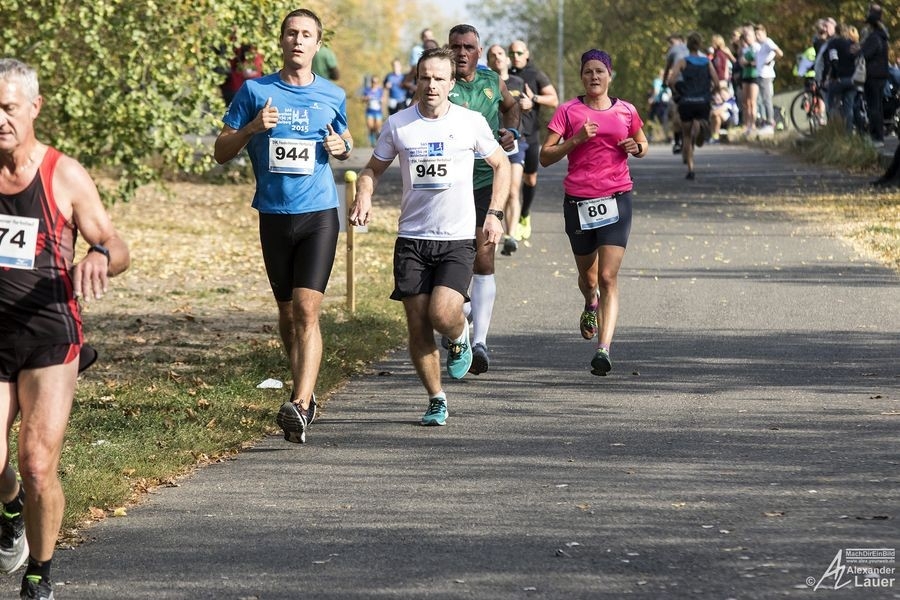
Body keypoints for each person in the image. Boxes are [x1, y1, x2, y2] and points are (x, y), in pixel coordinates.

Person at [0, 58, 130, 600]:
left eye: (8, 108)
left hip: (51, 335)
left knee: (35, 462)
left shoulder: (63, 174)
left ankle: (39, 576)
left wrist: (100, 256)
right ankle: (10, 513)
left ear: (34, 108)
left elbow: (115, 244)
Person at [350, 47, 511, 426]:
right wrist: (364, 191)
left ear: (451, 83)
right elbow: (373, 168)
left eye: (440, 78)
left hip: (456, 238)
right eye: (425, 78)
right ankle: (436, 398)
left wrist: (495, 213)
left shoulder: (470, 122)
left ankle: (459, 334)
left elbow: (501, 163)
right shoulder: (399, 124)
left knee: (442, 313)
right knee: (417, 323)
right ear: (416, 81)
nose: (432, 85)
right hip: (412, 239)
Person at [214, 9, 353, 445]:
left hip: (318, 214)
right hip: (273, 216)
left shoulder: (333, 94)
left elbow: (344, 141)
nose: (298, 40)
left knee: (308, 309)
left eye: (306, 35)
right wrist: (253, 127)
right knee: (288, 314)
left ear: (317, 45)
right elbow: (221, 150)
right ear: (281, 41)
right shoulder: (254, 91)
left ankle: (302, 403)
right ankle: (302, 397)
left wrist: (341, 146)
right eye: (291, 33)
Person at [539, 49, 647, 377]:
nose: (594, 77)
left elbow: (642, 143)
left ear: (609, 75)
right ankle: (590, 303)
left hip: (617, 199)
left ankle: (604, 349)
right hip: (579, 202)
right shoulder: (568, 111)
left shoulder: (626, 110)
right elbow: (545, 156)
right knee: (589, 279)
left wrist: (636, 148)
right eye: (588, 72)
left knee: (607, 276)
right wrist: (575, 140)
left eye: (600, 71)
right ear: (582, 77)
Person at [448, 25, 520, 375]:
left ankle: (480, 343)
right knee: (452, 264)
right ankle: (460, 317)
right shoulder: (439, 84)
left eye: (469, 47)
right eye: (456, 47)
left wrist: (512, 131)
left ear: (479, 51)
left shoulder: (493, 81)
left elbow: (511, 107)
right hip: (448, 187)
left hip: (486, 181)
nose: (462, 53)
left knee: (484, 255)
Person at [508, 39, 559, 242]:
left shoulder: (535, 74)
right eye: (512, 53)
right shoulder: (505, 75)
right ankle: (508, 224)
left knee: (530, 179)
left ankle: (525, 215)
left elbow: (554, 100)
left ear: (527, 53)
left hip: (531, 135)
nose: (515, 57)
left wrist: (534, 99)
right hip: (511, 136)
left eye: (519, 53)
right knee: (511, 184)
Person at [486, 43, 528, 255]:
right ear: (488, 61)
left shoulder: (519, 82)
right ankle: (492, 227)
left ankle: (511, 236)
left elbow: (524, 107)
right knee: (494, 190)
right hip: (490, 144)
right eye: (492, 55)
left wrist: (530, 103)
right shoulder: (484, 82)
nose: (497, 58)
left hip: (515, 141)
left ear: (507, 59)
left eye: (500, 54)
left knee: (513, 189)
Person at [667, 31, 717, 179]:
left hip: (686, 101)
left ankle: (691, 169)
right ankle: (702, 125)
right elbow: (717, 82)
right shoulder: (707, 62)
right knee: (698, 124)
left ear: (687, 46)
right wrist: (710, 93)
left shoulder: (682, 61)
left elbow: (671, 81)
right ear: (700, 45)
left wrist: (677, 92)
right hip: (703, 100)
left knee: (687, 136)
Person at [861, 3, 890, 146]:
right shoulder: (883, 37)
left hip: (873, 75)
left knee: (873, 107)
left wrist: (858, 51)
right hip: (882, 74)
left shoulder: (873, 38)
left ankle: (877, 137)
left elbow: (866, 54)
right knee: (877, 106)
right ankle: (878, 135)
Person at [754, 24, 783, 132]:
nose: (757, 36)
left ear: (764, 33)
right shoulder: (758, 45)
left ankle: (770, 122)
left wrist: (772, 60)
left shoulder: (767, 42)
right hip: (759, 74)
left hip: (766, 74)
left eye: (759, 34)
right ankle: (764, 120)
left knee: (766, 99)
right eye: (756, 34)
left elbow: (779, 53)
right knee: (760, 99)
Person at [662, 34, 689, 152]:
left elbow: (667, 69)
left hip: (678, 83)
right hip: (693, 83)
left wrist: (664, 82)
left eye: (672, 42)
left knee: (677, 110)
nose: (670, 45)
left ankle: (678, 142)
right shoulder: (691, 48)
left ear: (680, 40)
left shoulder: (673, 50)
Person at [738, 25, 761, 133]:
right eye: (746, 36)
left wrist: (748, 63)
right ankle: (746, 124)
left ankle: (753, 124)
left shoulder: (757, 47)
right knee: (745, 102)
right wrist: (746, 62)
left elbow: (757, 62)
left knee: (752, 101)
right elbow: (741, 62)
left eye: (749, 35)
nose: (747, 38)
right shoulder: (746, 48)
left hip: (754, 75)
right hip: (745, 75)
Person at [360, 75, 384, 146]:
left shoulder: (380, 90)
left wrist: (382, 100)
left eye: (376, 82)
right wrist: (366, 98)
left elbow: (383, 99)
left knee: (377, 127)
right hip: (370, 111)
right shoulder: (367, 90)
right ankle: (372, 142)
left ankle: (377, 140)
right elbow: (362, 99)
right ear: (371, 82)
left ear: (378, 83)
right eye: (373, 82)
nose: (375, 83)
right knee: (370, 126)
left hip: (378, 111)